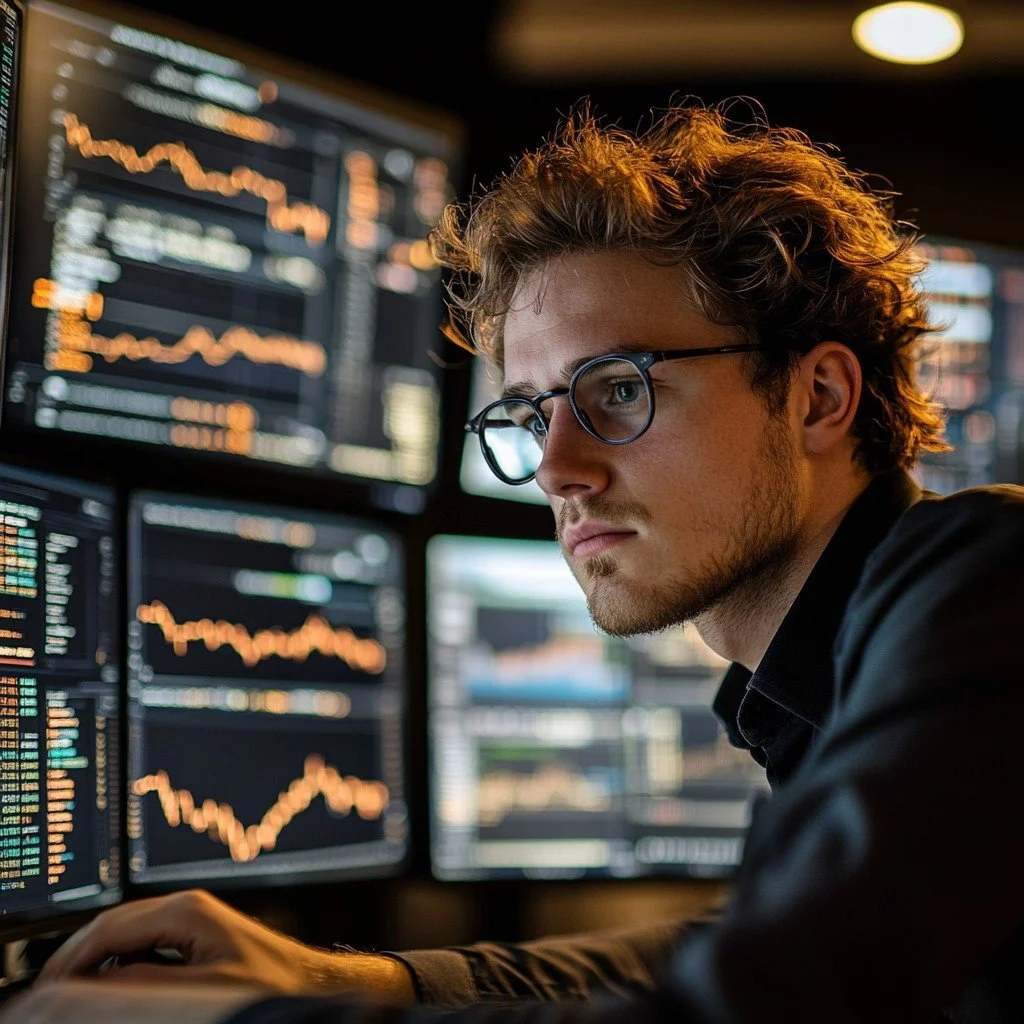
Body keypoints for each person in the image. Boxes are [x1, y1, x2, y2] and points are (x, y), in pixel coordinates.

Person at [7, 98, 1024, 1024]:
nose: (555, 469)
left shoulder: (988, 573)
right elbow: (742, 950)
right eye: (530, 414)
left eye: (617, 391)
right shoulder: (829, 681)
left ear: (817, 397)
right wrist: (350, 978)